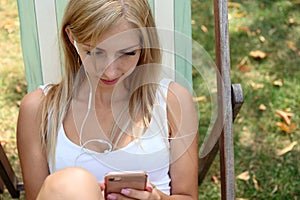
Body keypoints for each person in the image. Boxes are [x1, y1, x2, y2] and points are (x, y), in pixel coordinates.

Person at [16, 0, 199, 199]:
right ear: (71, 37)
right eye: (95, 52)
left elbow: (187, 195)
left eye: (127, 53)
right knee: (71, 185)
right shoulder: (39, 109)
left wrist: (156, 198)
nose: (110, 71)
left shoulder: (171, 101)